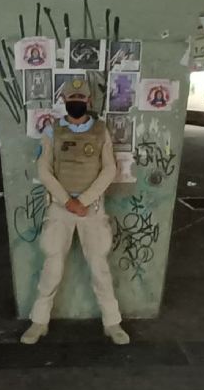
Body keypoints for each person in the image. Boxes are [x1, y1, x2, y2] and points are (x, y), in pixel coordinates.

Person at [21, 78, 129, 346]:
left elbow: (109, 170)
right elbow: (43, 170)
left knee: (100, 269)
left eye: (81, 99)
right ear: (64, 101)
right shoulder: (52, 131)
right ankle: (39, 322)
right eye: (72, 98)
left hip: (91, 209)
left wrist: (86, 200)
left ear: (89, 102)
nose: (76, 103)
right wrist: (67, 201)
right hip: (61, 209)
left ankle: (113, 323)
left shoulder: (101, 131)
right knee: (52, 267)